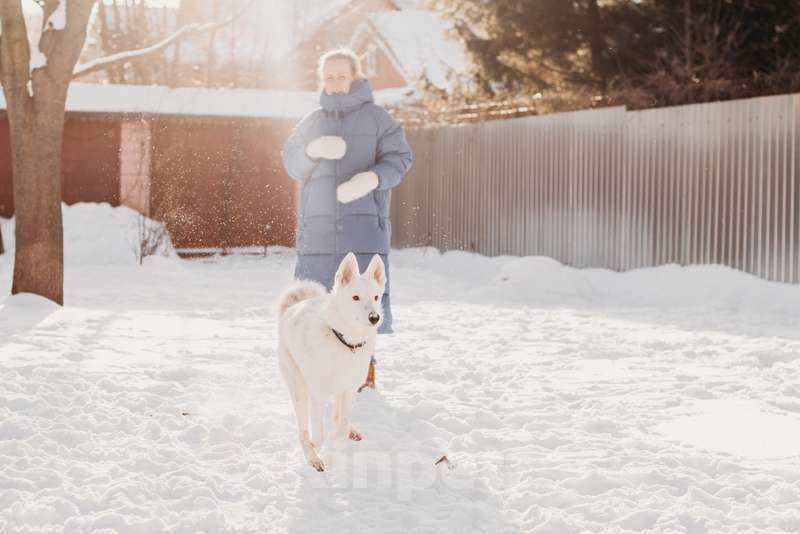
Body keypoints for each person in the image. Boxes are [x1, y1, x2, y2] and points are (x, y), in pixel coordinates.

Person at [281, 48, 413, 391]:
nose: (335, 82)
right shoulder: (312, 122)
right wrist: (313, 151)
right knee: (314, 301)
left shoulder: (378, 119)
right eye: (329, 76)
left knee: (364, 302)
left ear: (355, 76)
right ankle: (314, 370)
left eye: (342, 75)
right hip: (319, 228)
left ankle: (363, 373)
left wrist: (370, 179)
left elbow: (400, 159)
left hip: (363, 226)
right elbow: (291, 162)